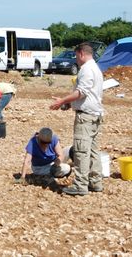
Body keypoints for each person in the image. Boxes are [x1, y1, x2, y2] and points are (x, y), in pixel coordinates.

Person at [49, 42, 104, 196]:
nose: (76, 60)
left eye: (76, 56)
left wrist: (62, 101)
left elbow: (82, 93)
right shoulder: (96, 68)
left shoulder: (86, 69)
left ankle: (80, 185)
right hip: (95, 115)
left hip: (85, 117)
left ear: (81, 53)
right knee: (93, 151)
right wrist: (67, 103)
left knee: (81, 151)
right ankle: (95, 182)